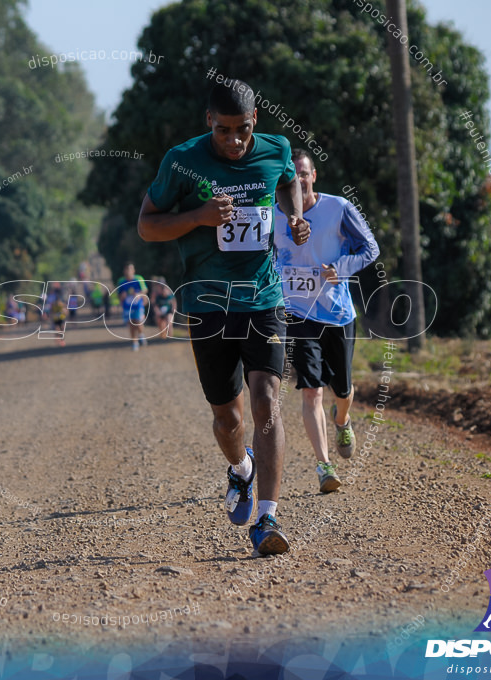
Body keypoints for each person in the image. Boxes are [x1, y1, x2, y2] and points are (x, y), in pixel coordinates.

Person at [137, 78, 310, 556]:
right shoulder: (182, 161)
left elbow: (289, 181)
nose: (234, 141)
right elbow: (147, 225)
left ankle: (267, 518)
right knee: (228, 418)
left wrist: (293, 216)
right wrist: (198, 217)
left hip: (263, 298)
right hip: (208, 304)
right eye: (224, 130)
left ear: (255, 122)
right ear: (208, 121)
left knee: (266, 402)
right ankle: (241, 470)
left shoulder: (276, 148)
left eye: (242, 130)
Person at [273, 149, 380, 493]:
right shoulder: (272, 214)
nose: (298, 181)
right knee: (311, 391)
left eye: (303, 174)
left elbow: (370, 248)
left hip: (336, 314)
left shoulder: (338, 209)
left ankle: (343, 419)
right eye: (292, 177)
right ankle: (324, 467)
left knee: (342, 389)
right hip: (297, 314)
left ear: (313, 176)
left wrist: (342, 269)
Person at [116, 263, 148, 351]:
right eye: (127, 269)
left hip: (138, 305)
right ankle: (135, 343)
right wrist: (122, 296)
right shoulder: (121, 281)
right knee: (131, 325)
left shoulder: (138, 279)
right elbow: (119, 294)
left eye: (130, 269)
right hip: (127, 307)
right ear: (124, 271)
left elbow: (145, 290)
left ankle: (141, 334)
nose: (128, 271)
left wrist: (139, 294)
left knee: (138, 323)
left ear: (133, 270)